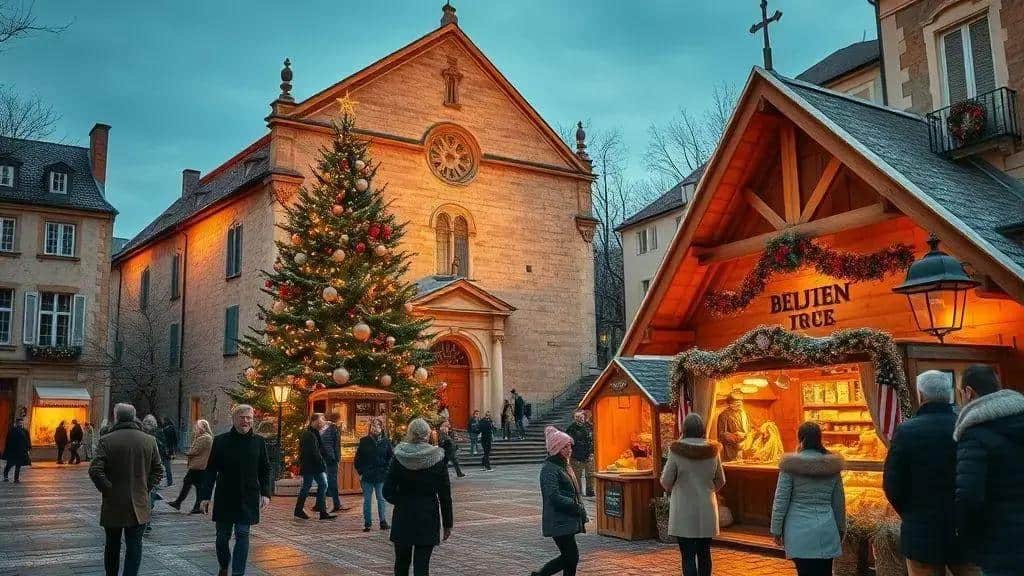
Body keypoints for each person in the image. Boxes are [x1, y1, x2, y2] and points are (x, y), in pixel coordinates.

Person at [883, 371, 976, 576]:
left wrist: (910, 513)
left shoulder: (906, 432)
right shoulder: (967, 426)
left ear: (921, 395)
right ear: (950, 393)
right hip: (964, 527)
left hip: (921, 530)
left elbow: (892, 485)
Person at [954, 364, 1024, 576]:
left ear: (968, 393)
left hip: (1001, 541)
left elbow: (969, 496)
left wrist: (965, 534)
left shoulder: (975, 434)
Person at [89, 403, 163, 576]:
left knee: (112, 545)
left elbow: (95, 470)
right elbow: (158, 470)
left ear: (116, 417)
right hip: (139, 502)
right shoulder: (149, 440)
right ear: (134, 416)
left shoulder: (106, 440)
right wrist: (145, 488)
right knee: (134, 546)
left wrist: (107, 489)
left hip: (113, 503)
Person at [198, 404, 272, 576]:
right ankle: (224, 565)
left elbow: (265, 469)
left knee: (242, 534)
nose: (246, 421)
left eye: (249, 418)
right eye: (242, 417)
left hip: (248, 496)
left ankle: (238, 573)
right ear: (234, 419)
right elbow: (210, 470)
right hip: (225, 496)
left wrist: (266, 493)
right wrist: (205, 497)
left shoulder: (259, 442)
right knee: (222, 538)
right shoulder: (220, 441)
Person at [770, 422, 845, 576]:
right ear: (820, 438)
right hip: (826, 530)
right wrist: (841, 528)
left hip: (798, 530)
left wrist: (776, 529)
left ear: (800, 438)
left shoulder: (790, 465)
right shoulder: (832, 466)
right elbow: (839, 502)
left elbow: (781, 501)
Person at [384, 417, 453, 576]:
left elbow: (387, 490)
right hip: (427, 514)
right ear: (427, 434)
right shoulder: (437, 458)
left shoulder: (399, 456)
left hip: (404, 515)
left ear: (410, 433)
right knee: (422, 566)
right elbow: (445, 494)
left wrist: (401, 501)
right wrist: (448, 523)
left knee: (401, 564)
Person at [660, 414, 725, 576]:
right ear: (702, 430)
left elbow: (666, 481)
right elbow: (721, 480)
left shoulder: (676, 451)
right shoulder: (713, 451)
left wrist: (676, 489)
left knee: (687, 555)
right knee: (704, 553)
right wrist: (708, 490)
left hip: (683, 508)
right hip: (707, 508)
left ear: (685, 429)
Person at [530, 426, 587, 576]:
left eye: (569, 446)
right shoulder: (550, 468)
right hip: (558, 519)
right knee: (570, 557)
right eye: (564, 447)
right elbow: (553, 495)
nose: (569, 450)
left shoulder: (563, 465)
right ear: (556, 449)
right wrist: (574, 505)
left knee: (570, 558)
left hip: (566, 518)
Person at [354, 416, 394, 531]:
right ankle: (367, 523)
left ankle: (383, 521)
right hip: (367, 475)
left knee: (381, 499)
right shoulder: (364, 441)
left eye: (377, 425)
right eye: (373, 426)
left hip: (381, 475)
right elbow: (358, 458)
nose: (375, 428)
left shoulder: (386, 441)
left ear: (381, 428)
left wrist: (386, 470)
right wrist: (361, 472)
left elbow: (390, 457)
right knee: (367, 500)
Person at [295, 412, 336, 520]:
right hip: (312, 466)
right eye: (321, 420)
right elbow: (314, 452)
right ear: (316, 421)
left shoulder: (314, 433)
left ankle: (302, 510)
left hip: (312, 466)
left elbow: (321, 448)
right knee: (321, 484)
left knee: (312, 486)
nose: (323, 422)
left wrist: (329, 458)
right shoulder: (308, 434)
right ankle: (320, 512)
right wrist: (322, 464)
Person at [169, 419, 213, 514]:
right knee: (196, 486)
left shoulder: (204, 438)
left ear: (203, 427)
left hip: (198, 466)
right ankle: (193, 506)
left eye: (197, 426)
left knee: (190, 483)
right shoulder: (204, 437)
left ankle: (181, 503)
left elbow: (194, 451)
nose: (195, 428)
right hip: (200, 466)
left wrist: (186, 453)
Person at [318, 411, 350, 513]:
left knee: (323, 481)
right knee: (332, 481)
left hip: (321, 457)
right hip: (331, 458)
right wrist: (337, 459)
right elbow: (336, 445)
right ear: (337, 419)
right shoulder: (334, 428)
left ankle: (320, 503)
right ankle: (336, 504)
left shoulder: (321, 428)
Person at [565, 411, 595, 498]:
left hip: (589, 454)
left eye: (583, 417)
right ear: (576, 418)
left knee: (590, 474)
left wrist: (592, 451)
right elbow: (569, 441)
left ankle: (590, 490)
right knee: (577, 475)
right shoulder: (571, 428)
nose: (582, 419)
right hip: (576, 456)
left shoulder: (588, 426)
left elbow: (592, 439)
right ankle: (578, 492)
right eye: (580, 418)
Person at [717, 394, 750, 462]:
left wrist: (745, 435)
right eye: (736, 402)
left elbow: (749, 429)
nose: (739, 404)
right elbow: (722, 434)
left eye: (740, 402)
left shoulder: (744, 414)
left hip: (745, 448)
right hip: (731, 450)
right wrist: (736, 437)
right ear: (730, 404)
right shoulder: (724, 415)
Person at [3, 417, 31, 483]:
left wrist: (28, 449)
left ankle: (16, 479)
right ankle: (5, 475)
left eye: (21, 422)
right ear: (16, 423)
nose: (20, 424)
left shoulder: (25, 431)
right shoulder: (12, 431)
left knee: (18, 465)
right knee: (9, 464)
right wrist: (8, 450)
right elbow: (8, 441)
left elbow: (27, 440)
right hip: (13, 451)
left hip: (21, 451)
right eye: (19, 423)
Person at [157, 417, 175, 487]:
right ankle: (169, 481)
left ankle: (161, 482)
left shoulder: (163, 430)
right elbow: (174, 440)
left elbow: (163, 441)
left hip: (164, 450)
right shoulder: (171, 428)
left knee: (163, 466)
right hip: (168, 449)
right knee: (167, 467)